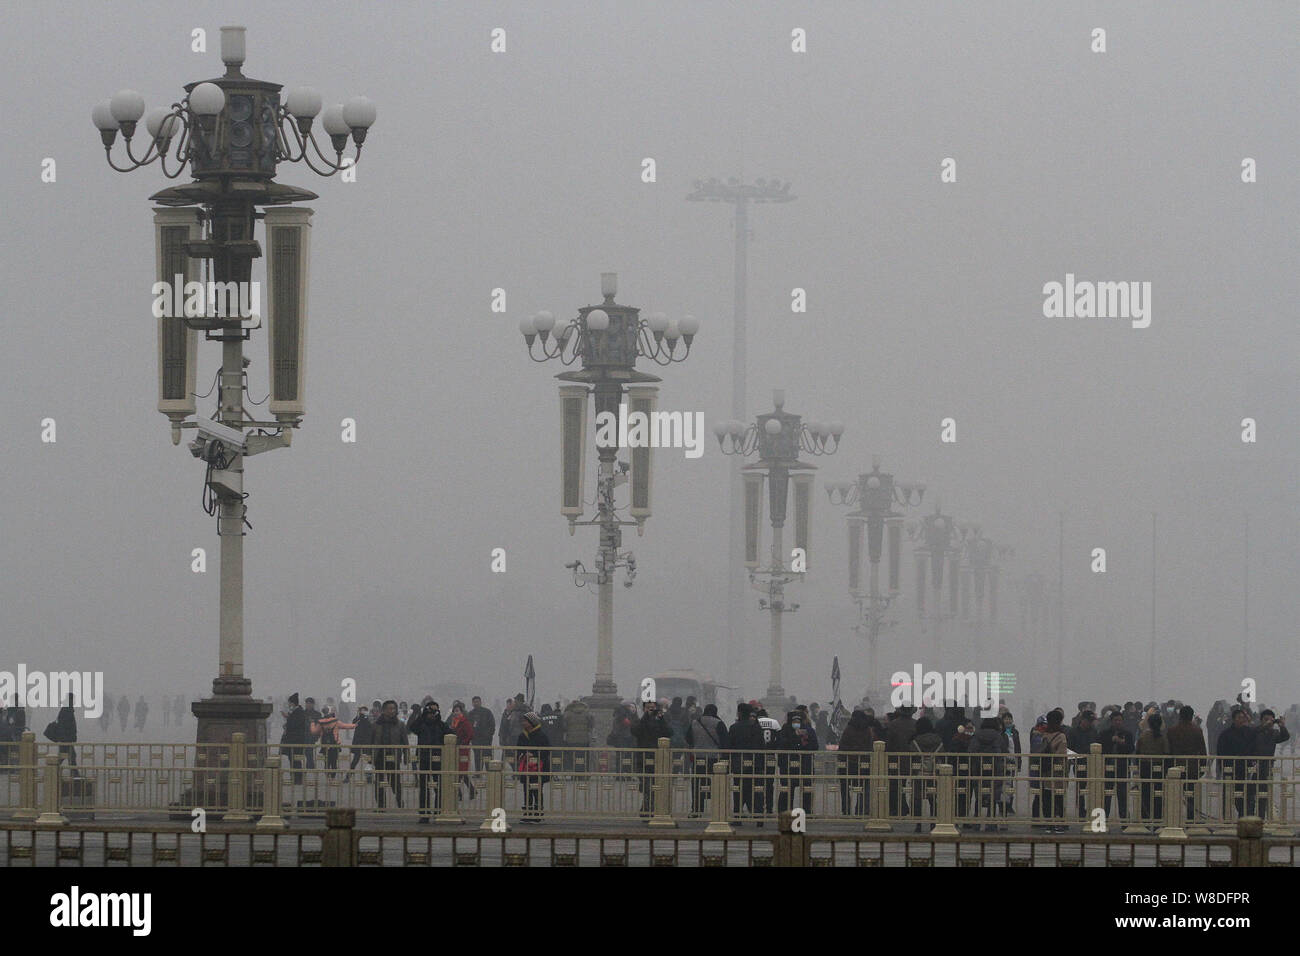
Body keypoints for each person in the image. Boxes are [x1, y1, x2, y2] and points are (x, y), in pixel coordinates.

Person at [407, 699, 449, 822]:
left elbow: (452, 734)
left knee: (439, 787)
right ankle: (424, 813)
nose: (432, 714)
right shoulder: (421, 724)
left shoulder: (441, 724)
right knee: (424, 787)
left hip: (438, 759)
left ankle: (438, 811)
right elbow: (411, 727)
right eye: (430, 712)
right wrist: (423, 714)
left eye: (434, 712)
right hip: (424, 758)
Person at [631, 699, 672, 818]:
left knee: (655, 786)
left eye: (652, 708)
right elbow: (635, 731)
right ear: (643, 709)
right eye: (648, 707)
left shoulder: (660, 721)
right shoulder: (640, 721)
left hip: (658, 758)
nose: (650, 710)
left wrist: (661, 719)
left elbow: (669, 732)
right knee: (647, 786)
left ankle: (647, 809)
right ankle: (648, 809)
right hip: (643, 758)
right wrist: (645, 717)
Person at [685, 703, 728, 817]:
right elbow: (725, 741)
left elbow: (688, 738)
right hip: (715, 759)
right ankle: (718, 809)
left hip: (698, 758)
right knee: (716, 784)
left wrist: (696, 745)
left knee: (697, 783)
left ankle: (697, 809)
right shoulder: (719, 723)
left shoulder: (695, 722)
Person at [1166, 704, 1206, 822]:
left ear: (1180, 716)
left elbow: (1168, 750)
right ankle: (1190, 819)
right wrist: (1202, 767)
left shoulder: (1172, 730)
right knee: (1190, 794)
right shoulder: (1197, 730)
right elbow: (1202, 751)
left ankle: (1173, 818)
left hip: (1175, 766)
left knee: (1174, 794)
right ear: (1191, 716)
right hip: (1192, 766)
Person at [775, 709, 818, 815]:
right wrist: (794, 737)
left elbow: (815, 746)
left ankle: (806, 812)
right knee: (787, 789)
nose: (796, 724)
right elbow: (781, 745)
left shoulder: (808, 731)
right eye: (794, 721)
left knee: (806, 789)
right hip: (789, 765)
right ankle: (785, 811)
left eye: (798, 721)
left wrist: (804, 741)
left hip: (804, 764)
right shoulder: (785, 730)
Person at [728, 703, 765, 824]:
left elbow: (730, 746)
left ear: (739, 713)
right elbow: (762, 745)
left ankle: (738, 815)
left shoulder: (734, 727)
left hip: (739, 763)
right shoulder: (756, 727)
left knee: (739, 790)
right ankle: (758, 816)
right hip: (756, 763)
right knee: (756, 790)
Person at [1249, 708, 1290, 817]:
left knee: (1263, 793)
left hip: (1267, 766)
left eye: (1271, 720)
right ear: (1261, 720)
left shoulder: (1274, 733)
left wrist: (1282, 725)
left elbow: (1285, 737)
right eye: (1266, 719)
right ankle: (1249, 815)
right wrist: (1264, 726)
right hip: (1253, 766)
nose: (1269, 722)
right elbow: (1252, 734)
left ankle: (1261, 817)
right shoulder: (1256, 730)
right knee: (1250, 793)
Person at [1098, 710, 1135, 824]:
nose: (1118, 722)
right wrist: (1111, 741)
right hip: (1107, 767)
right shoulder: (1104, 733)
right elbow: (1100, 747)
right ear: (1111, 721)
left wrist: (1122, 743)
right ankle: (1104, 820)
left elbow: (1131, 749)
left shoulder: (1127, 734)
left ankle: (1124, 820)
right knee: (1106, 795)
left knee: (1122, 794)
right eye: (1115, 720)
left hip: (1122, 767)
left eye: (1120, 720)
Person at [836, 709, 875, 817]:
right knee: (863, 787)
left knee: (844, 787)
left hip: (848, 762)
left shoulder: (848, 729)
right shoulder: (867, 730)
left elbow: (842, 746)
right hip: (863, 762)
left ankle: (846, 810)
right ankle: (860, 809)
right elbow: (869, 745)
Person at [370, 700, 408, 810]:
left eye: (393, 709)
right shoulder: (376, 724)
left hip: (393, 756)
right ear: (383, 710)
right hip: (379, 756)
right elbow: (371, 741)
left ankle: (399, 799)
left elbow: (405, 742)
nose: (392, 711)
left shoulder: (400, 725)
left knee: (395, 782)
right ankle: (381, 805)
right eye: (389, 709)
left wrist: (406, 756)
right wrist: (369, 756)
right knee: (379, 782)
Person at [909, 716, 944, 831]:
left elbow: (911, 756)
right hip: (934, 772)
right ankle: (933, 823)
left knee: (917, 798)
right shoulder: (938, 740)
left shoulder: (915, 741)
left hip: (919, 772)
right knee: (933, 798)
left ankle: (918, 824)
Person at [1036, 710, 1069, 833]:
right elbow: (1061, 755)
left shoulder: (1044, 735)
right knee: (1058, 796)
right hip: (1057, 772)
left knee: (1047, 797)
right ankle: (1059, 822)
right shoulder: (1061, 736)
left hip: (1046, 770)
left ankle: (1049, 823)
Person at [1136, 711, 1170, 828]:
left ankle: (1145, 819)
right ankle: (1157, 820)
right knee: (1158, 794)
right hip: (1158, 768)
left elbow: (1138, 752)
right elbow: (1166, 753)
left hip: (1145, 767)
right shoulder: (1162, 737)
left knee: (1145, 794)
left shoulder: (1143, 736)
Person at [516, 711, 551, 822]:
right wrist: (521, 755)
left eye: (525, 721)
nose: (523, 723)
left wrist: (534, 754)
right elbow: (518, 749)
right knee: (527, 789)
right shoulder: (522, 735)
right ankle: (528, 812)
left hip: (538, 768)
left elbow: (546, 751)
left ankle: (538, 812)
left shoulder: (541, 735)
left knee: (536, 789)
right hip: (526, 767)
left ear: (532, 722)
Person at [1067, 710, 1099, 819]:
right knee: (1081, 786)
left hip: (1093, 763)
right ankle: (1081, 809)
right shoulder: (1073, 732)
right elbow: (1070, 747)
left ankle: (1092, 808)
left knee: (1094, 786)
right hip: (1079, 762)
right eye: (1089, 721)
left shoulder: (1094, 731)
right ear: (1083, 720)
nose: (1090, 723)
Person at [312, 705, 354, 780]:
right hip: (335, 745)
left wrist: (312, 724)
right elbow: (346, 726)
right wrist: (356, 725)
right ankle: (333, 778)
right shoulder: (336, 722)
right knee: (334, 762)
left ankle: (328, 776)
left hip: (325, 745)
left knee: (327, 762)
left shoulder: (321, 722)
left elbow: (314, 731)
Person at [449, 701, 477, 801]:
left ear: (461, 711)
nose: (456, 713)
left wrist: (464, 743)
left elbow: (470, 734)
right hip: (455, 749)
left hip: (463, 750)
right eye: (454, 711)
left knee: (461, 772)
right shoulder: (453, 722)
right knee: (459, 771)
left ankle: (461, 793)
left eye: (457, 711)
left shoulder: (464, 722)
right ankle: (467, 791)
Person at [280, 693, 309, 784]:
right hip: (292, 740)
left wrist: (288, 722)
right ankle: (295, 778)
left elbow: (295, 725)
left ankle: (298, 779)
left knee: (296, 760)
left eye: (289, 703)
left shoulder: (299, 712)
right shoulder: (295, 712)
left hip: (296, 740)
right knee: (292, 760)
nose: (289, 705)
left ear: (292, 703)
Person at [560, 697, 593, 773]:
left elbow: (564, 727)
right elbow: (591, 725)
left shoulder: (567, 714)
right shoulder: (587, 714)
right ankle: (584, 772)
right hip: (584, 739)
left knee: (572, 757)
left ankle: (574, 773)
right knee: (583, 756)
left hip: (571, 739)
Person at [343, 703, 373, 783]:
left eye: (364, 710)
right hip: (359, 741)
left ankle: (369, 777)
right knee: (355, 759)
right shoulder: (358, 718)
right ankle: (348, 776)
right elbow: (353, 723)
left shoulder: (369, 718)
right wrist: (358, 715)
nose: (363, 712)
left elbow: (370, 726)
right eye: (361, 710)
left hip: (367, 741)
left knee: (370, 760)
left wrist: (366, 717)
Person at [54, 694, 80, 778]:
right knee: (71, 756)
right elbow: (66, 725)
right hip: (66, 739)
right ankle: (75, 774)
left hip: (65, 738)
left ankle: (54, 770)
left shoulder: (66, 709)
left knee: (66, 756)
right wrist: (68, 736)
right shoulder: (67, 710)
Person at [468, 695, 496, 771]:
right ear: (472, 703)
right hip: (475, 739)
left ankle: (489, 772)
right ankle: (478, 773)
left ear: (480, 702)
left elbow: (492, 725)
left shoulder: (487, 712)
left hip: (486, 739)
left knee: (487, 756)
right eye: (474, 702)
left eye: (477, 702)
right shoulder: (470, 714)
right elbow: (468, 726)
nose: (476, 703)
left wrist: (489, 735)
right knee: (477, 757)